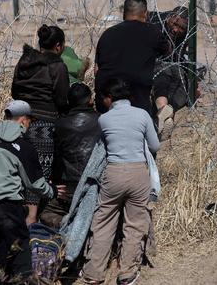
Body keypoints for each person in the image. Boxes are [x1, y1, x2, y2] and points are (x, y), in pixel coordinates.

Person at [0, 100, 65, 285]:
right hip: (8, 209)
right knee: (19, 258)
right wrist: (53, 191)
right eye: (30, 122)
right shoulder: (24, 146)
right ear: (24, 120)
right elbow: (35, 184)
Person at [82, 78, 160, 285]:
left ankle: (93, 273)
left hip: (113, 173)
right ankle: (127, 272)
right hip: (138, 173)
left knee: (103, 222)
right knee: (134, 224)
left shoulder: (104, 119)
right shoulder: (142, 115)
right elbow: (155, 145)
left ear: (110, 98)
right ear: (130, 97)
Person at [12, 24, 70, 224]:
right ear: (58, 46)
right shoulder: (57, 66)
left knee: (19, 169)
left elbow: (14, 91)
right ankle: (32, 219)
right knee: (38, 172)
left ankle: (18, 214)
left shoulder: (25, 61)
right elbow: (62, 99)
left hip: (18, 121)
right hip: (44, 126)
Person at [94, 0, 170, 115]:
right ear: (145, 14)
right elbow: (167, 51)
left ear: (124, 13)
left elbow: (97, 70)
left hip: (106, 101)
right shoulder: (152, 32)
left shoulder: (107, 34)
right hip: (136, 101)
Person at [40, 83, 101, 229]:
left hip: (68, 185)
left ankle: (66, 223)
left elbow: (55, 154)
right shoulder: (102, 120)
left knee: (45, 213)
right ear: (90, 100)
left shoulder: (60, 124)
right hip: (95, 182)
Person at [148, 6, 189, 140]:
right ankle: (163, 108)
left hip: (173, 64)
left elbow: (178, 56)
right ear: (169, 16)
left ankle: (166, 112)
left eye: (181, 28)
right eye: (175, 24)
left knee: (183, 88)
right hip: (153, 65)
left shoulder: (188, 33)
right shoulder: (154, 21)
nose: (176, 29)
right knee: (162, 75)